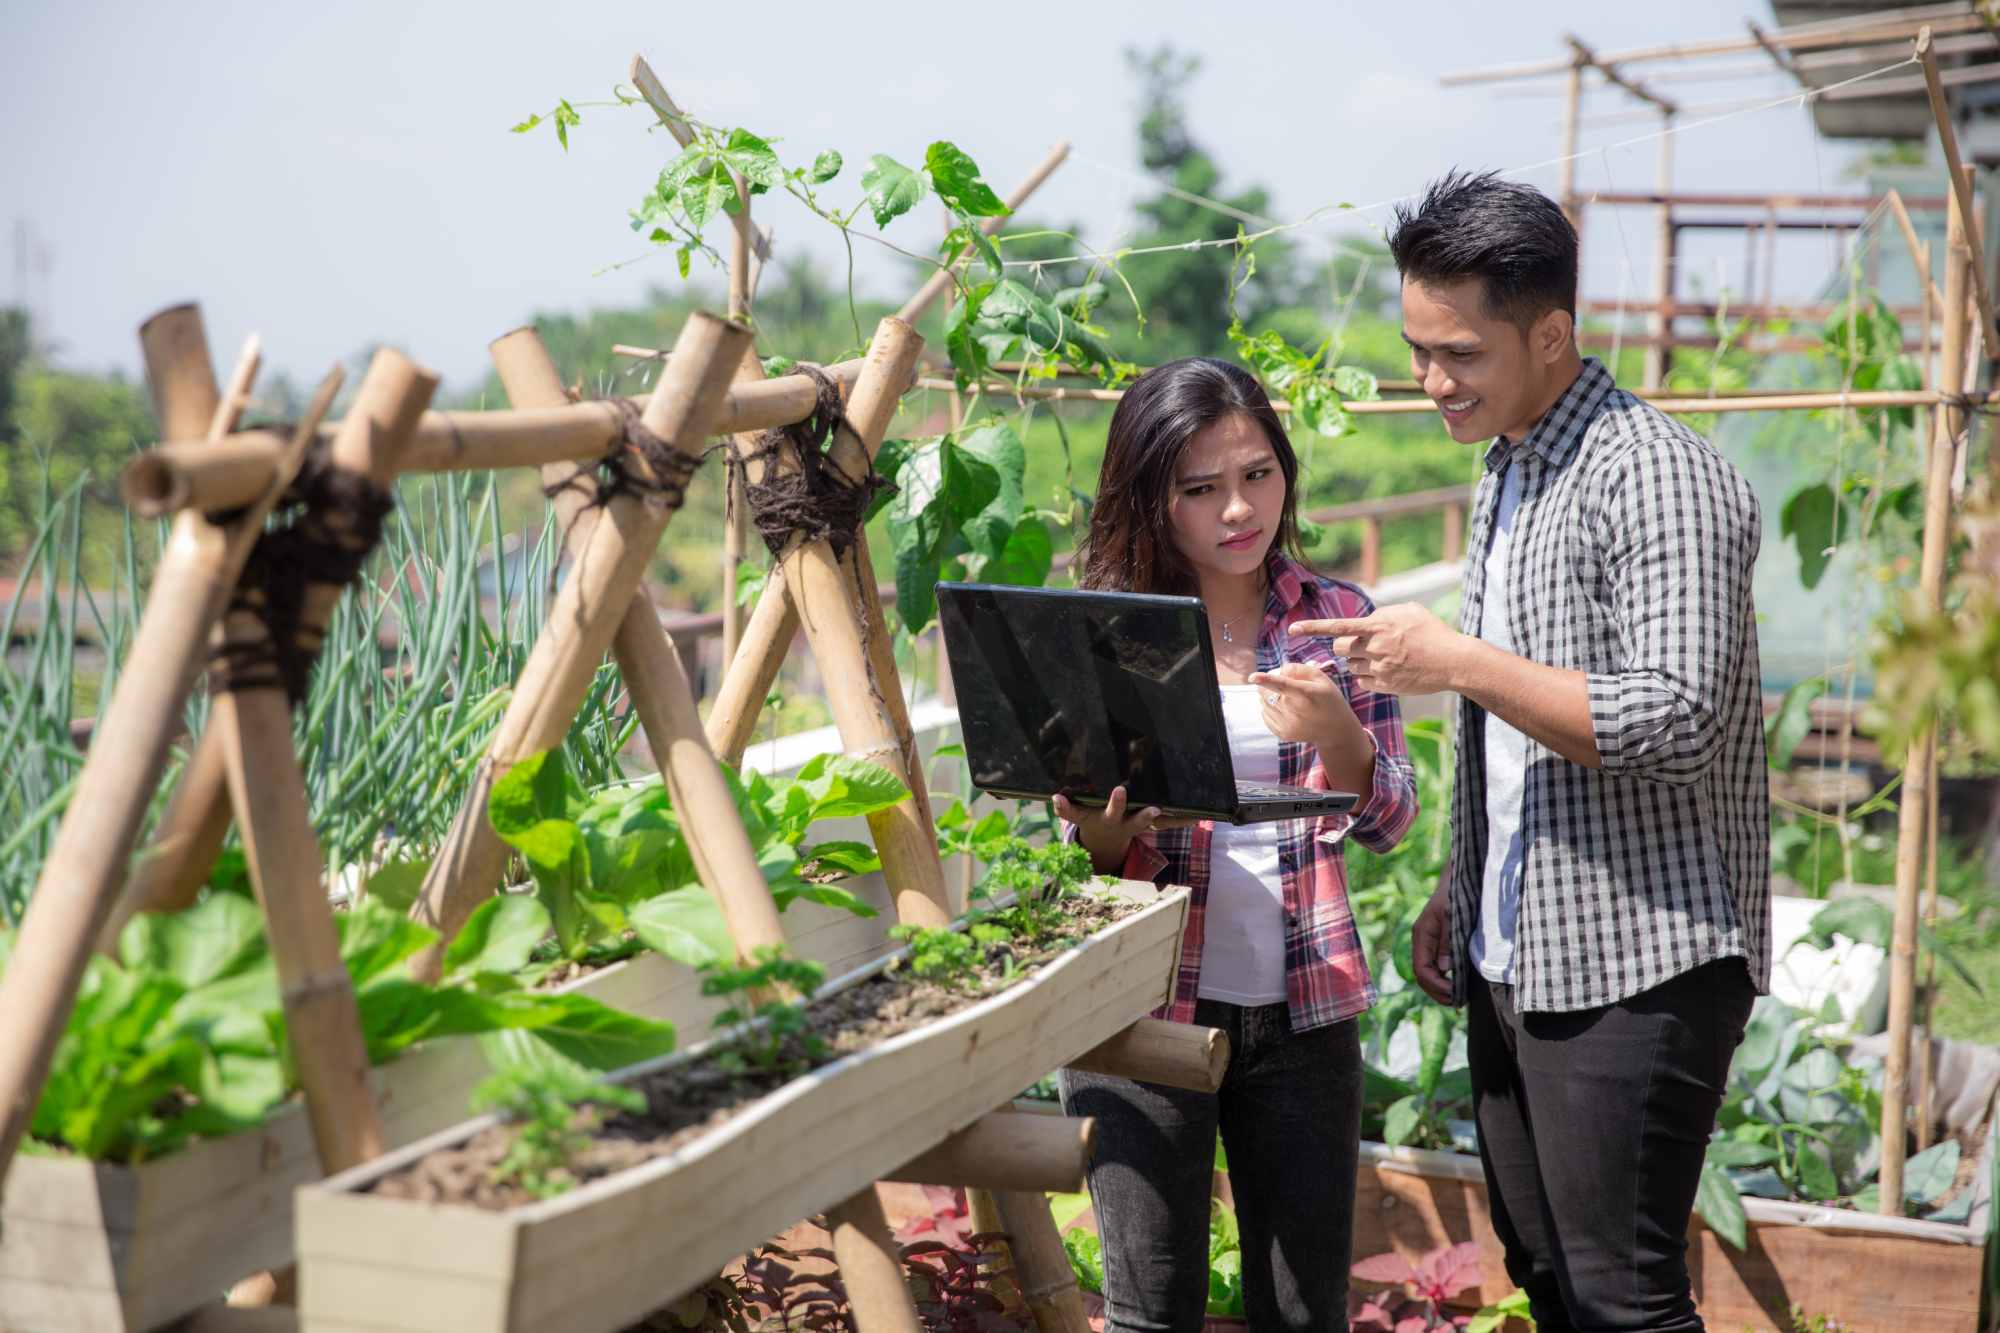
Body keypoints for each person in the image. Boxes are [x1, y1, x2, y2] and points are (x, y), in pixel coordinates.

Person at [1292, 170, 1770, 1332]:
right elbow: (1522, 734)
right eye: (1416, 347)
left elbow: (1673, 719)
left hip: (1638, 956)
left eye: (1456, 352)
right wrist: (1466, 887)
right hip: (1527, 942)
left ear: (1549, 332)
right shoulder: (1511, 462)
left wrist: (1453, 660)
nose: (1428, 380)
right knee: (1548, 1270)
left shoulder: (1652, 473)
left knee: (1622, 1297)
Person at [1053, 356, 1418, 1332]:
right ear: (1150, 497)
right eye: (1200, 487)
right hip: (1142, 1011)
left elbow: (1388, 819)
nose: (1236, 509)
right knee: (1148, 1307)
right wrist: (1099, 836)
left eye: (1257, 474)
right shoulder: (1104, 632)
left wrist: (1337, 735)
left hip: (1302, 1016)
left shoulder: (1336, 620)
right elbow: (1061, 858)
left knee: (1303, 1313)